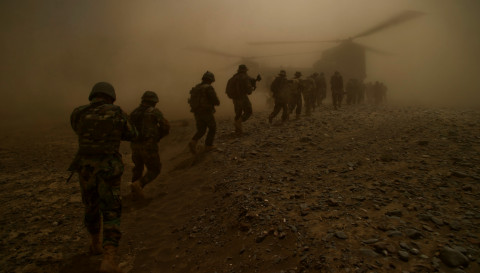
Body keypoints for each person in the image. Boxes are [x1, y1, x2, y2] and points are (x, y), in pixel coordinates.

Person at [68, 82, 137, 273]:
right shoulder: (117, 113)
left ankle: (94, 243)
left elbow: (77, 130)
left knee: (90, 205)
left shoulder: (78, 112)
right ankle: (108, 257)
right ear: (111, 96)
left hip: (86, 168)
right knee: (111, 209)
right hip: (108, 168)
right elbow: (132, 134)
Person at [129, 91, 170, 199]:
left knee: (138, 168)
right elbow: (165, 126)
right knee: (155, 169)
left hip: (135, 145)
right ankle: (139, 184)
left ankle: (134, 193)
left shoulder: (134, 113)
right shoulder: (154, 112)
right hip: (148, 145)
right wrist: (158, 136)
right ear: (154, 102)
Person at [188, 71, 220, 153]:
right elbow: (215, 100)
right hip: (206, 111)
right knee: (212, 127)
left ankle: (193, 142)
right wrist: (216, 102)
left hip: (196, 112)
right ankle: (208, 146)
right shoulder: (208, 88)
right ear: (210, 80)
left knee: (201, 130)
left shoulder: (197, 87)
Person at [226, 64, 258, 134]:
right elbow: (248, 89)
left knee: (238, 113)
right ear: (245, 70)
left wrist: (254, 81)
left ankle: (238, 130)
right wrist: (251, 89)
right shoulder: (245, 77)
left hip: (235, 99)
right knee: (248, 111)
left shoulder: (234, 77)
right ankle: (238, 122)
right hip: (243, 97)